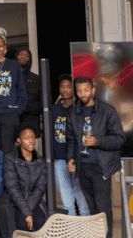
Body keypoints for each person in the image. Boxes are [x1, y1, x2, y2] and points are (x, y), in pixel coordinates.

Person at [66, 77, 124, 238]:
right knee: (91, 210)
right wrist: (70, 158)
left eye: (86, 90)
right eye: (78, 91)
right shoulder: (72, 112)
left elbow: (119, 139)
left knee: (103, 210)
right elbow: (70, 139)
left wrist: (98, 141)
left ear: (93, 90)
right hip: (82, 167)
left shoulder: (107, 111)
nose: (82, 94)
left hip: (101, 168)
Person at [51, 75, 89, 217]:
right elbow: (49, 133)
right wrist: (53, 156)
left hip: (78, 159)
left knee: (83, 203)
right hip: (60, 160)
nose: (65, 89)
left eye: (68, 86)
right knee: (67, 204)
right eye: (62, 86)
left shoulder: (80, 109)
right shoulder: (53, 109)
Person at [4, 123, 49, 233]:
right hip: (14, 202)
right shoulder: (10, 158)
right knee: (21, 224)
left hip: (34, 202)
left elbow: (39, 190)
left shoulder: (41, 162)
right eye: (26, 138)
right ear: (19, 140)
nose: (31, 141)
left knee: (40, 223)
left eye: (33, 138)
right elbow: (13, 189)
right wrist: (27, 213)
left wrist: (27, 211)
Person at [16, 48, 43, 132]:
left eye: (26, 55)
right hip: (11, 125)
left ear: (30, 59)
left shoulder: (37, 79)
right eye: (20, 54)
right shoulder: (8, 77)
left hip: (31, 125)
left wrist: (25, 107)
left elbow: (43, 104)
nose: (23, 57)